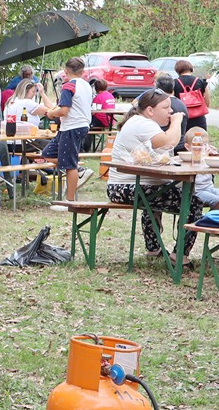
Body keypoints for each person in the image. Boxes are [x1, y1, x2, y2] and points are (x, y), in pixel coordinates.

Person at [106, 89, 202, 263]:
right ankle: (180, 255)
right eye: (166, 108)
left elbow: (158, 156)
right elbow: (169, 141)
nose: (170, 111)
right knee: (193, 202)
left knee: (157, 194)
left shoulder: (142, 122)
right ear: (150, 110)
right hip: (127, 187)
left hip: (124, 187)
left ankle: (154, 248)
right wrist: (177, 122)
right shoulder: (143, 123)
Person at [36, 57, 93, 199]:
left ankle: (70, 199)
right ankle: (77, 169)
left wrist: (51, 114)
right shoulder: (86, 86)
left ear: (66, 71)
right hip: (79, 125)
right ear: (82, 71)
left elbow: (64, 111)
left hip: (72, 127)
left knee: (70, 165)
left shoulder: (68, 86)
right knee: (48, 153)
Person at [174, 59, 209, 134]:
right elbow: (207, 101)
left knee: (183, 139)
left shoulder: (174, 83)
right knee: (200, 138)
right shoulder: (201, 82)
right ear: (190, 68)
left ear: (177, 70)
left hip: (182, 118)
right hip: (199, 118)